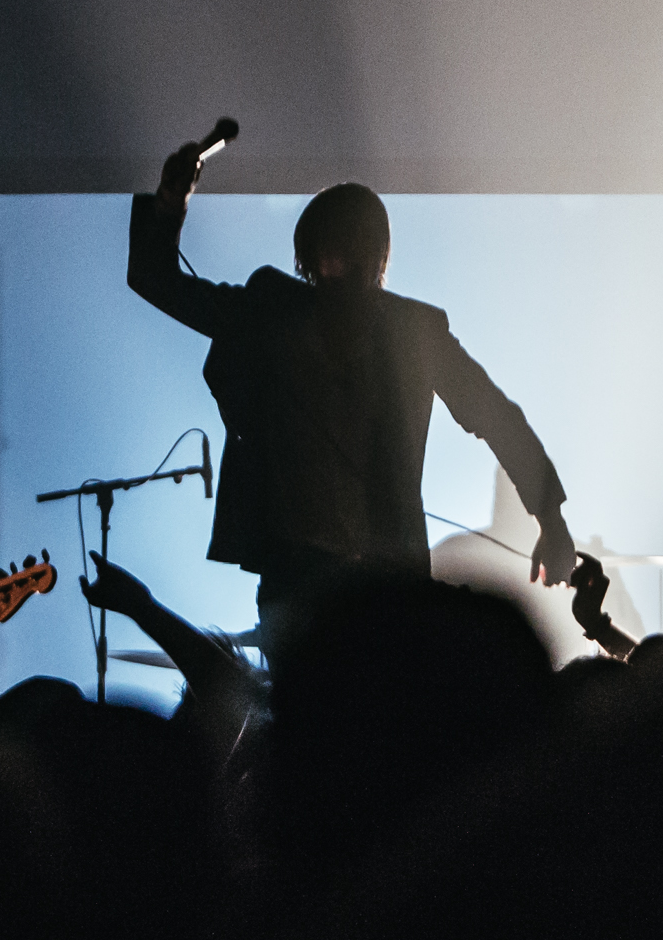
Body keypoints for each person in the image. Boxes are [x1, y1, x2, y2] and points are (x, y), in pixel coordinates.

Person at [127, 142, 576, 643]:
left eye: (351, 243)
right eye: (331, 243)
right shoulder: (273, 307)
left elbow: (495, 415)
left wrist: (551, 518)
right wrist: (169, 203)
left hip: (383, 588)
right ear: (311, 255)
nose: (339, 258)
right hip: (300, 582)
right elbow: (157, 281)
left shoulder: (414, 331)